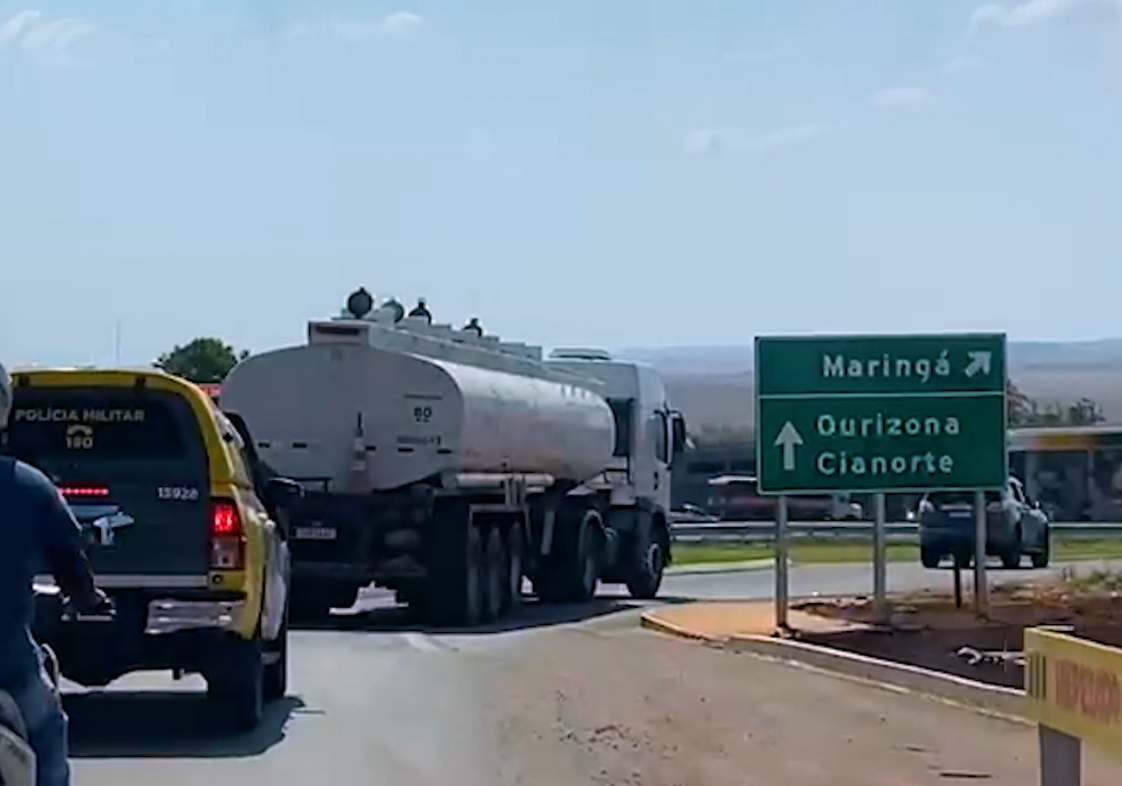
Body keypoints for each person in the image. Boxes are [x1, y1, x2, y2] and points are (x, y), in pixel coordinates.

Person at [0, 361, 109, 786]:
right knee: (47, 732)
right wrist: (87, 599)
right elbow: (70, 561)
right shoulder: (30, 486)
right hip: (7, 660)